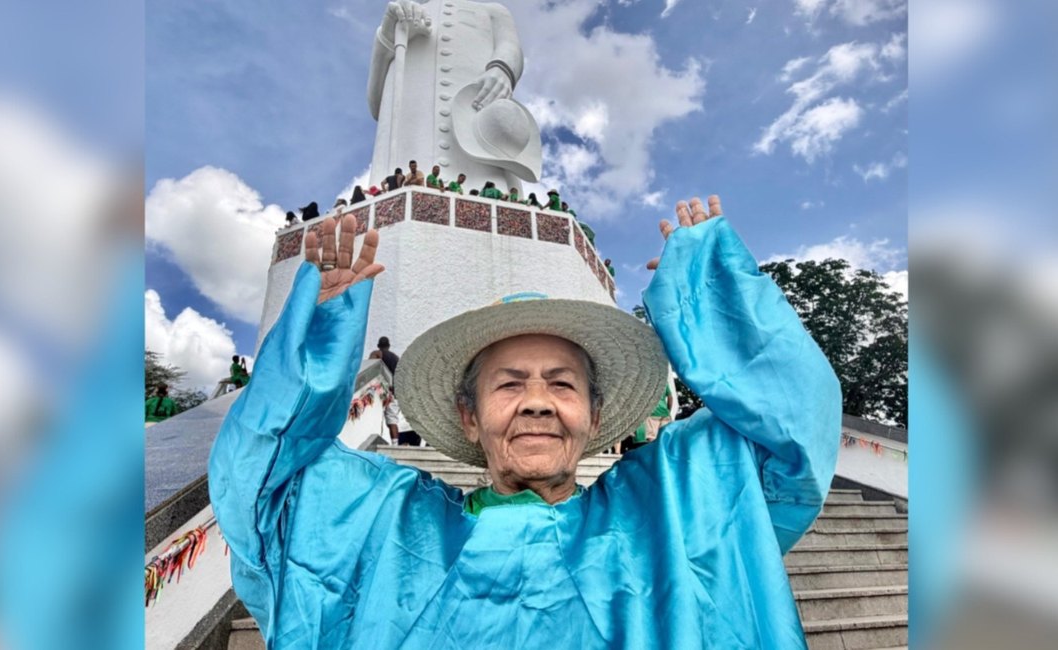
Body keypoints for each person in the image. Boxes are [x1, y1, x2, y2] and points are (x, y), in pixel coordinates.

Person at [210, 195, 841, 648]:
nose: (537, 402)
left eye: (561, 384)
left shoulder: (668, 515)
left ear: (594, 418)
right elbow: (263, 490)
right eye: (509, 383)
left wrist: (716, 298)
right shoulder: (390, 526)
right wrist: (319, 342)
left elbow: (789, 436)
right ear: (469, 414)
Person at [366, 0, 540, 194]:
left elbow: (510, 46)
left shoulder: (492, 11)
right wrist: (388, 38)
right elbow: (376, 106)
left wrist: (503, 67)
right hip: (413, 131)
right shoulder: (402, 15)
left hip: (478, 124)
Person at [368, 336, 405, 446]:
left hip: (385, 391)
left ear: (378, 346)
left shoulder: (378, 353)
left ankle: (393, 444)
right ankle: (395, 444)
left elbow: (371, 363)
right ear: (388, 346)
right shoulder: (396, 358)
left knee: (382, 416)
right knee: (392, 420)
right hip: (395, 392)